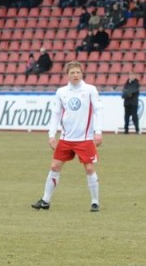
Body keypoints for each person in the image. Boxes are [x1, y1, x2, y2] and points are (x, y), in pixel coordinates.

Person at [31, 61, 103, 212]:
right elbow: (56, 114)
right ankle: (45, 200)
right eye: (72, 73)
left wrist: (98, 132)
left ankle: (95, 202)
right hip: (66, 139)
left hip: (85, 139)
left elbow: (98, 110)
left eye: (78, 72)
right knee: (54, 166)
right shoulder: (61, 92)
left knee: (89, 168)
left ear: (82, 73)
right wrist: (52, 135)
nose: (76, 75)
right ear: (67, 75)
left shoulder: (90, 90)